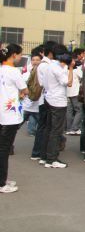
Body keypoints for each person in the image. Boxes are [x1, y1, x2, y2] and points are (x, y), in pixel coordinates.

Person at [0, 44, 28, 193]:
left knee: (3, 148)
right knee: (4, 149)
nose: (20, 57)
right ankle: (1, 183)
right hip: (9, 115)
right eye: (20, 54)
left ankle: (3, 179)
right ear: (14, 55)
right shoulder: (14, 72)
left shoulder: (1, 69)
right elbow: (25, 90)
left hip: (2, 112)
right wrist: (22, 94)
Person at [42, 44, 74, 169]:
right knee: (56, 131)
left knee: (49, 129)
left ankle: (45, 157)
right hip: (58, 102)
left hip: (49, 99)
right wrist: (71, 68)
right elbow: (68, 82)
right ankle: (52, 159)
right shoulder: (57, 68)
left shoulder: (49, 66)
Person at [31, 41, 56, 163]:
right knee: (44, 127)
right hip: (46, 99)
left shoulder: (44, 64)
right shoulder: (46, 65)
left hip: (44, 99)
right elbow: (46, 84)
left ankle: (38, 152)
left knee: (42, 126)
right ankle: (39, 153)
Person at [23, 49, 42, 136]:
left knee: (42, 124)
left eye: (37, 60)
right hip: (26, 104)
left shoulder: (42, 74)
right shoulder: (26, 74)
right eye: (33, 60)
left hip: (38, 103)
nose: (35, 62)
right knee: (16, 124)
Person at [65, 49, 84, 135]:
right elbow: (83, 77)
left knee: (69, 110)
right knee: (79, 110)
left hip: (67, 93)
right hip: (75, 93)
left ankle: (69, 128)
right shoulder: (76, 70)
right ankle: (75, 128)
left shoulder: (64, 69)